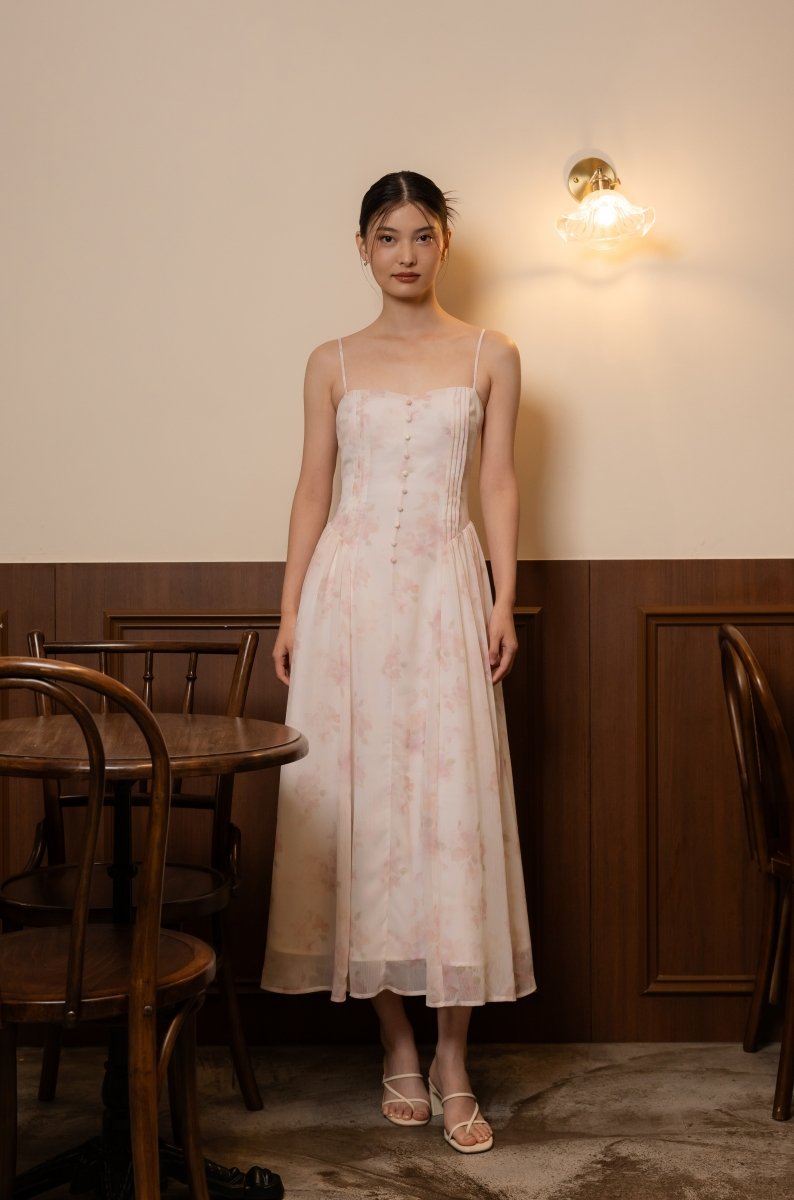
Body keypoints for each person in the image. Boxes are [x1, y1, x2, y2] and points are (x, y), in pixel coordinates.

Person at [261, 171, 535, 1153]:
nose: (406, 253)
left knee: (451, 810)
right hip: (348, 606)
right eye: (388, 236)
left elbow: (497, 483)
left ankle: (454, 1056)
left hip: (443, 593)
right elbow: (311, 489)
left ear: (443, 244)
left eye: (422, 234)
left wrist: (502, 597)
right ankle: (395, 1042)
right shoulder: (330, 361)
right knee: (362, 809)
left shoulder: (491, 353)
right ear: (363, 248)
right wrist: (290, 609)